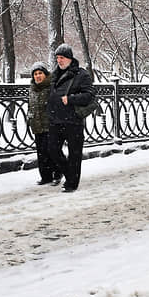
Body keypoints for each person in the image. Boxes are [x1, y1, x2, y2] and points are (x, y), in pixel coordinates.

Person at [47, 43, 94, 192]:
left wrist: (71, 99)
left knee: (74, 154)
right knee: (52, 150)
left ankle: (71, 183)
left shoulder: (82, 74)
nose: (59, 60)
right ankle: (69, 174)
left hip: (73, 121)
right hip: (55, 120)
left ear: (69, 58)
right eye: (57, 58)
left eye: (62, 57)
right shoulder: (54, 74)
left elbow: (89, 95)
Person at [28, 62, 62, 185]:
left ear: (45, 74)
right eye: (35, 74)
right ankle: (46, 176)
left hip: (50, 125)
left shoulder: (52, 87)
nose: (38, 76)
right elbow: (30, 106)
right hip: (37, 125)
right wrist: (29, 118)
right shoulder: (32, 89)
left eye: (40, 73)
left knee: (52, 151)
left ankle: (58, 174)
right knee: (41, 153)